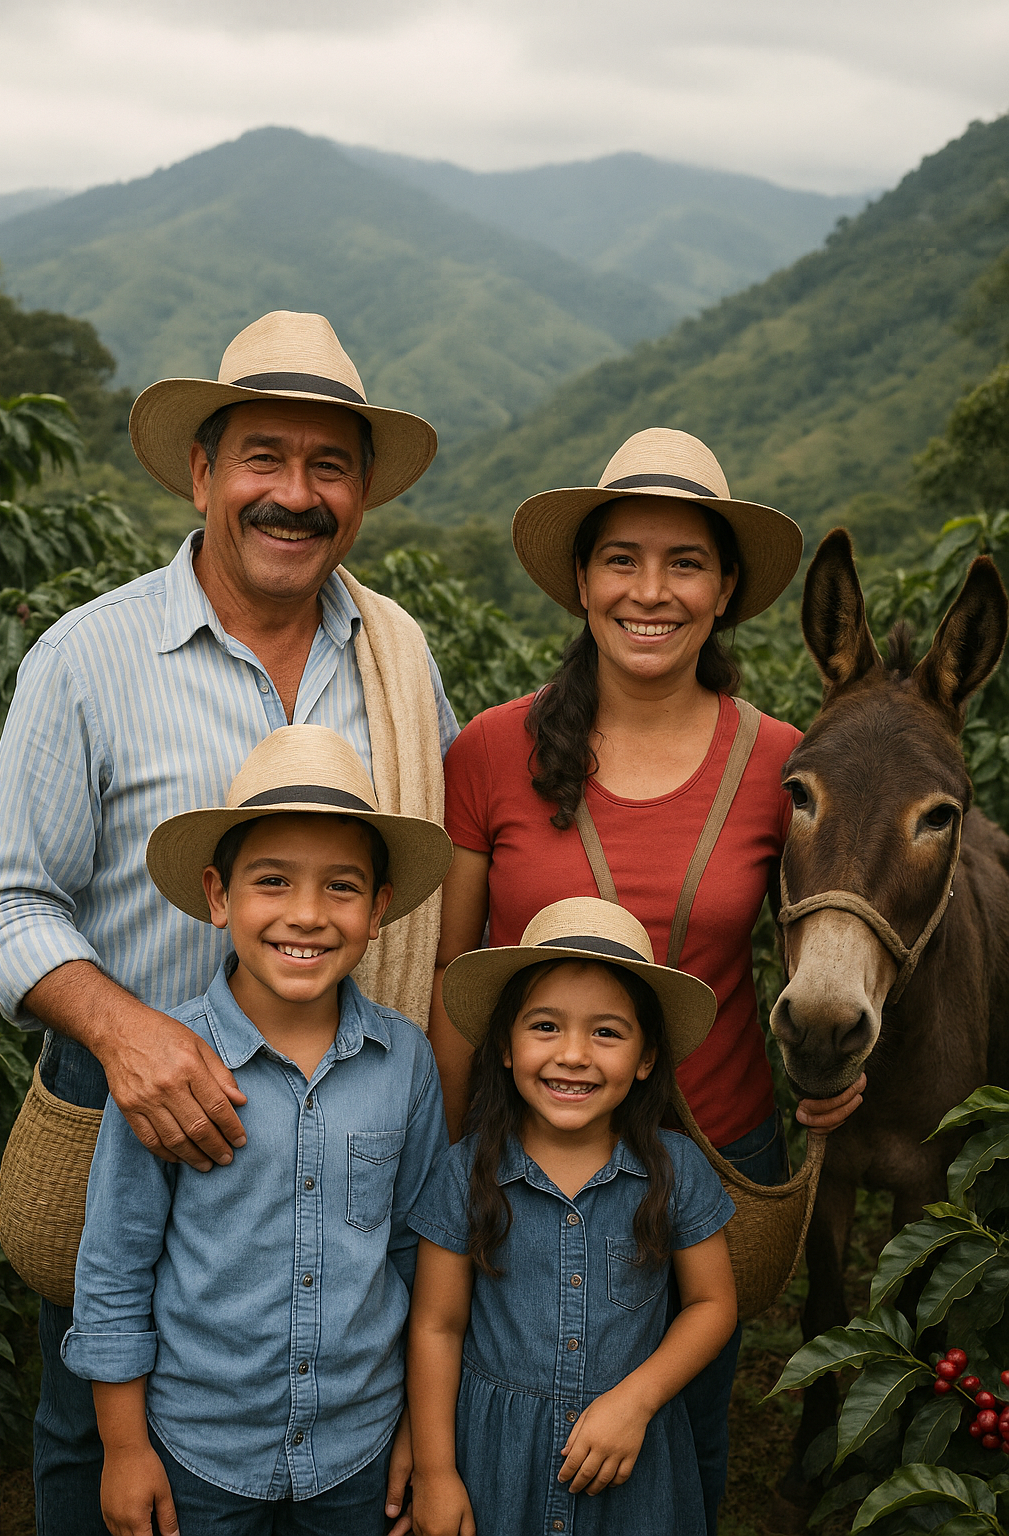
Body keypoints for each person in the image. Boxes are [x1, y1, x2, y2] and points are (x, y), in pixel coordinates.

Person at [0, 310, 457, 1534]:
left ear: (360, 493)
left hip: (349, 1126)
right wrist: (129, 1033)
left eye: (328, 466)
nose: (292, 495)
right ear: (200, 472)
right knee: (104, 1452)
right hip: (130, 1129)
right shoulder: (90, 659)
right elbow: (6, 900)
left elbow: (443, 886)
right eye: (262, 458)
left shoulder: (398, 663)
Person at [427, 428, 865, 1529]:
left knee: (681, 1438)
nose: (649, 591)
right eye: (621, 558)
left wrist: (837, 1069)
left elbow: (825, 943)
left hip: (709, 1155)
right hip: (525, 1165)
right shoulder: (489, 751)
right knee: (511, 1431)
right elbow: (451, 976)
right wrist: (445, 1168)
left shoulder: (783, 762)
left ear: (724, 591)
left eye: (684, 563)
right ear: (580, 581)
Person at [63, 724, 453, 1534]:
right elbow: (115, 1266)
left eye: (342, 888)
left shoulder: (405, 1063)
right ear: (218, 895)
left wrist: (421, 1427)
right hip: (199, 1450)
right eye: (272, 880)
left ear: (379, 909)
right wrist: (126, 1448)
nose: (306, 916)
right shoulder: (167, 1066)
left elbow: (416, 1255)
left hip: (358, 1447)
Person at [406, 898, 737, 1536]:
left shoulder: (676, 1171)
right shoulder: (464, 1173)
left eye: (607, 1032)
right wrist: (437, 1472)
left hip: (630, 1464)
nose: (574, 1055)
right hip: (498, 1464)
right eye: (546, 1027)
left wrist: (635, 1401)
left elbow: (712, 1304)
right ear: (504, 1046)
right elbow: (437, 1328)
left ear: (645, 1060)